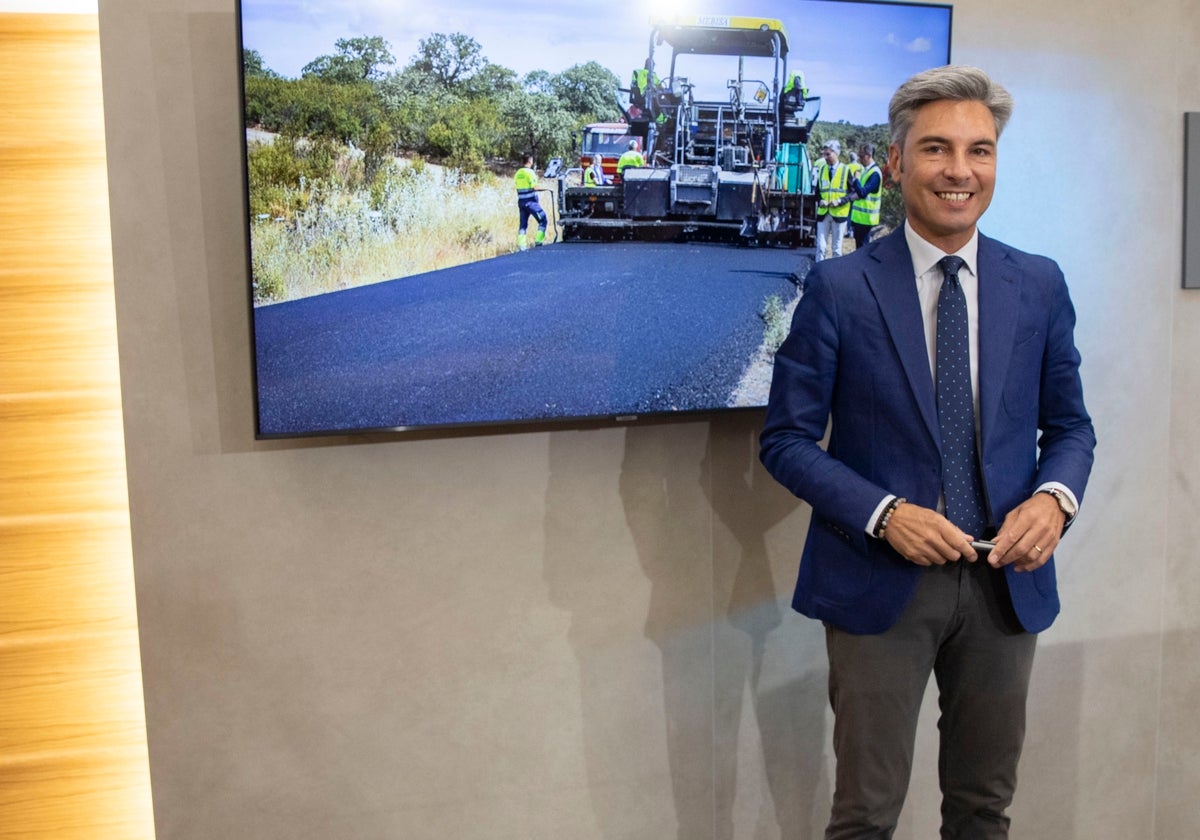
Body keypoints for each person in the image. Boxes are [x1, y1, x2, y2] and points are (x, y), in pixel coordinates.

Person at [760, 65, 1096, 838]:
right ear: (896, 161)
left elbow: (1070, 428)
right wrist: (883, 514)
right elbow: (783, 440)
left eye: (979, 151)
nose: (959, 171)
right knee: (867, 816)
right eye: (937, 148)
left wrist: (1055, 499)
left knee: (984, 811)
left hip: (1004, 587)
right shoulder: (842, 288)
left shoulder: (1038, 284)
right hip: (879, 586)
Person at [812, 138, 851, 261]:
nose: (825, 157)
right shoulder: (823, 169)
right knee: (820, 246)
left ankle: (835, 276)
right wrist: (820, 200)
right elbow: (817, 192)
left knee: (836, 249)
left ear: (836, 153)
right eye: (824, 154)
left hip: (839, 214)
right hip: (823, 213)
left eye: (828, 154)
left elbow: (853, 193)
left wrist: (839, 201)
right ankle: (818, 273)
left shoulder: (845, 170)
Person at [849, 142, 883, 248]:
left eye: (861, 156)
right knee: (859, 248)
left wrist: (856, 179)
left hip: (866, 219)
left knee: (863, 249)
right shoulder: (865, 170)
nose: (859, 158)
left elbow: (863, 193)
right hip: (859, 218)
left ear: (869, 156)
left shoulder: (875, 174)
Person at [514, 154, 547, 251]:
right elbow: (535, 187)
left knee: (523, 225)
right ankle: (539, 242)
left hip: (521, 202)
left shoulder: (518, 173)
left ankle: (522, 246)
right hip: (531, 203)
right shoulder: (530, 173)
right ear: (530, 161)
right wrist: (546, 188)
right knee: (543, 220)